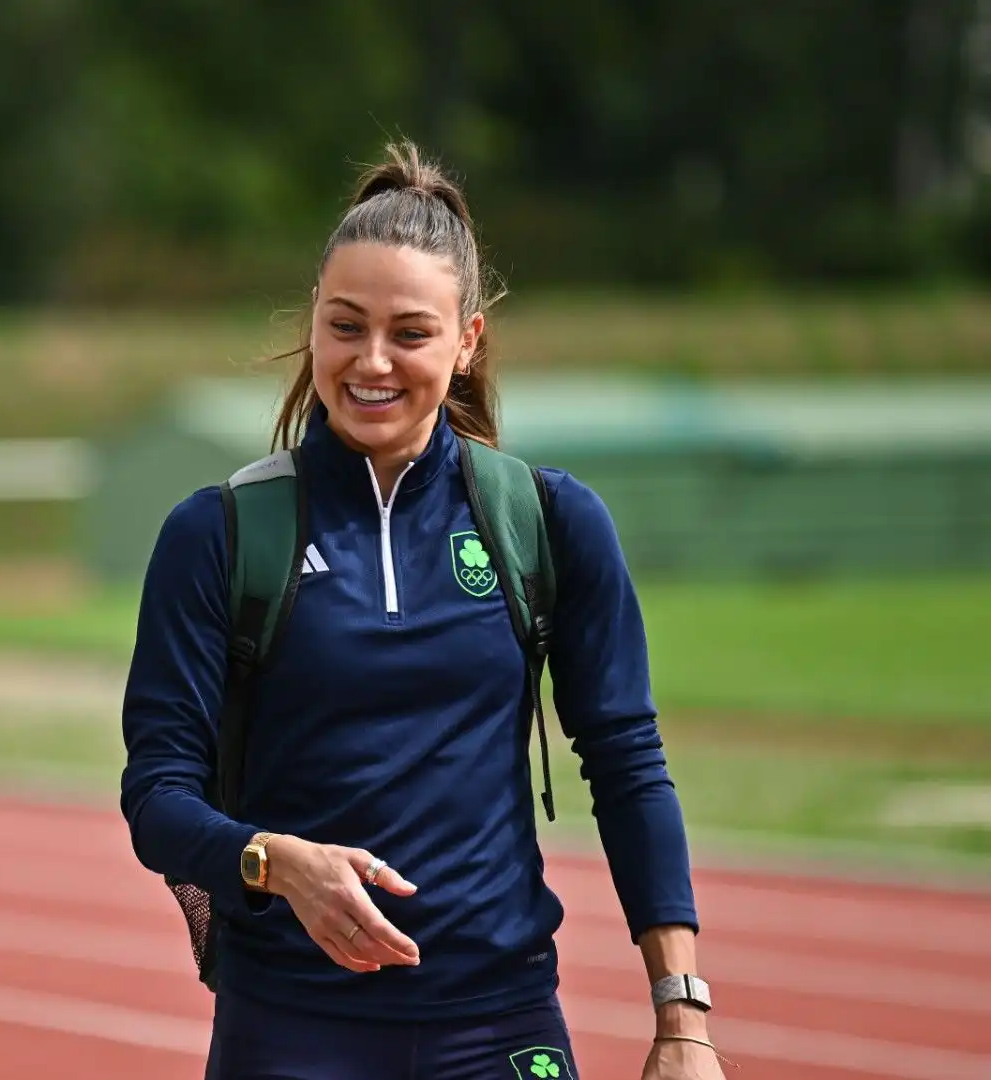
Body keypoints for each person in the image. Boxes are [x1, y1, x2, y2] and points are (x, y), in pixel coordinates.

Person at [117, 140, 727, 1080]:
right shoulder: (220, 534)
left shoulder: (549, 520)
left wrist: (681, 1015)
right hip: (289, 1028)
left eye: (410, 332)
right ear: (312, 323)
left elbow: (628, 764)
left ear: (467, 340)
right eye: (345, 325)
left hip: (500, 1023)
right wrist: (273, 863)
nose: (372, 362)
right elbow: (157, 797)